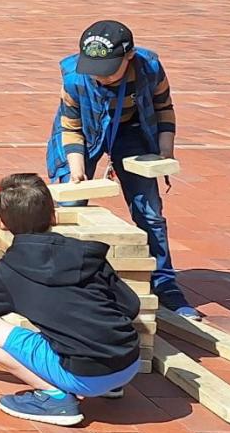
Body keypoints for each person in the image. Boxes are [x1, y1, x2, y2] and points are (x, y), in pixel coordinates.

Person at [0, 173, 141, 427]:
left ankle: (55, 398)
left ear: (1, 223)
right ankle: (109, 385)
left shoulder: (7, 271)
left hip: (84, 376)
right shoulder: (87, 253)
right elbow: (131, 306)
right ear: (53, 216)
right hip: (129, 363)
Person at [45, 20, 198, 320]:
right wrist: (76, 170)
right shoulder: (75, 77)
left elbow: (163, 106)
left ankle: (164, 282)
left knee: (149, 210)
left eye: (109, 70)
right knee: (70, 205)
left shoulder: (149, 68)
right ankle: (64, 281)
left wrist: (165, 148)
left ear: (129, 56)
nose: (101, 77)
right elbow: (70, 126)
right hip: (85, 131)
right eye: (95, 70)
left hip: (132, 129)